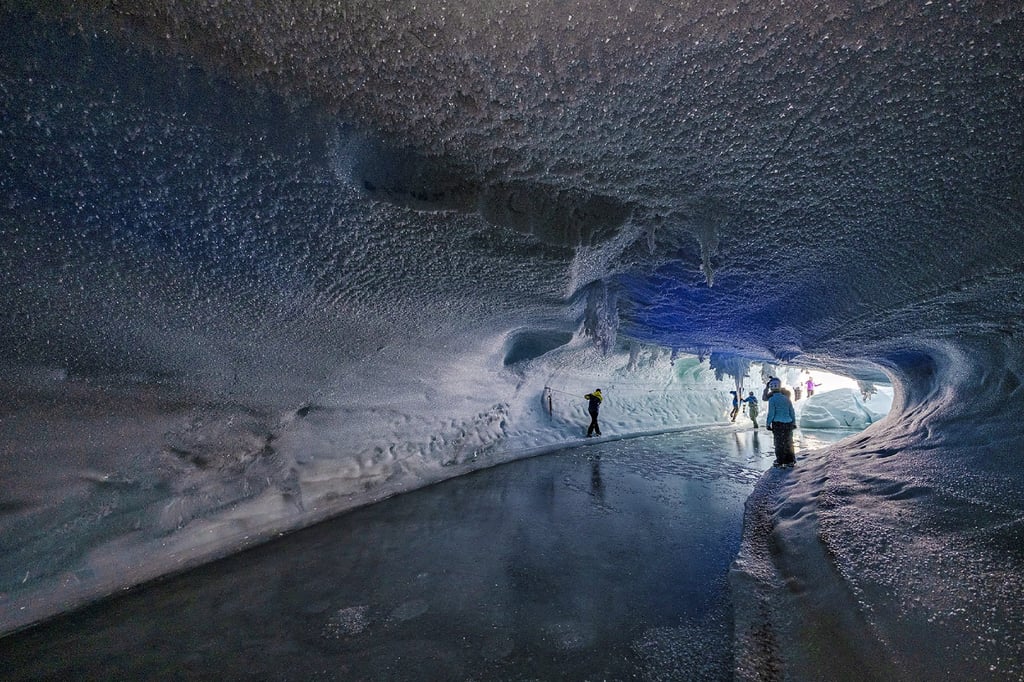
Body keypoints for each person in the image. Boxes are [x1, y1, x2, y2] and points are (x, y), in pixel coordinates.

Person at [766, 381, 797, 467]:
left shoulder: (772, 399)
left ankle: (780, 461)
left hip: (778, 424)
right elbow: (791, 411)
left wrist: (768, 424)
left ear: (771, 389)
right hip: (788, 423)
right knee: (788, 441)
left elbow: (771, 413)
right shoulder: (786, 398)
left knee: (779, 443)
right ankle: (790, 460)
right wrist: (794, 422)